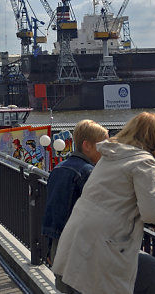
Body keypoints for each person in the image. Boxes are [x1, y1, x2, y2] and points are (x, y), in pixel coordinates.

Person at [52, 112, 155, 294]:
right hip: (102, 251)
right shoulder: (144, 163)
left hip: (76, 245)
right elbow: (153, 212)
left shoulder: (111, 155)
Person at [41, 120, 108, 290]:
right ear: (87, 146)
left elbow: (52, 211)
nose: (106, 151)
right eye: (103, 145)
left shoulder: (58, 169)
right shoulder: (88, 172)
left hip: (58, 245)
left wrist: (49, 248)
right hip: (79, 249)